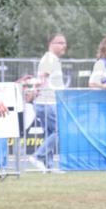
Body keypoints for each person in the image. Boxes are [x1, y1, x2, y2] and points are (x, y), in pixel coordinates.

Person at [32, 33, 67, 170]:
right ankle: (38, 156)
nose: (64, 45)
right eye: (60, 43)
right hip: (47, 102)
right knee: (59, 131)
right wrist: (35, 89)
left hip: (46, 102)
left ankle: (48, 166)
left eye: (64, 43)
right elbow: (41, 78)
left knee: (49, 133)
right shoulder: (49, 59)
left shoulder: (52, 59)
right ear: (51, 44)